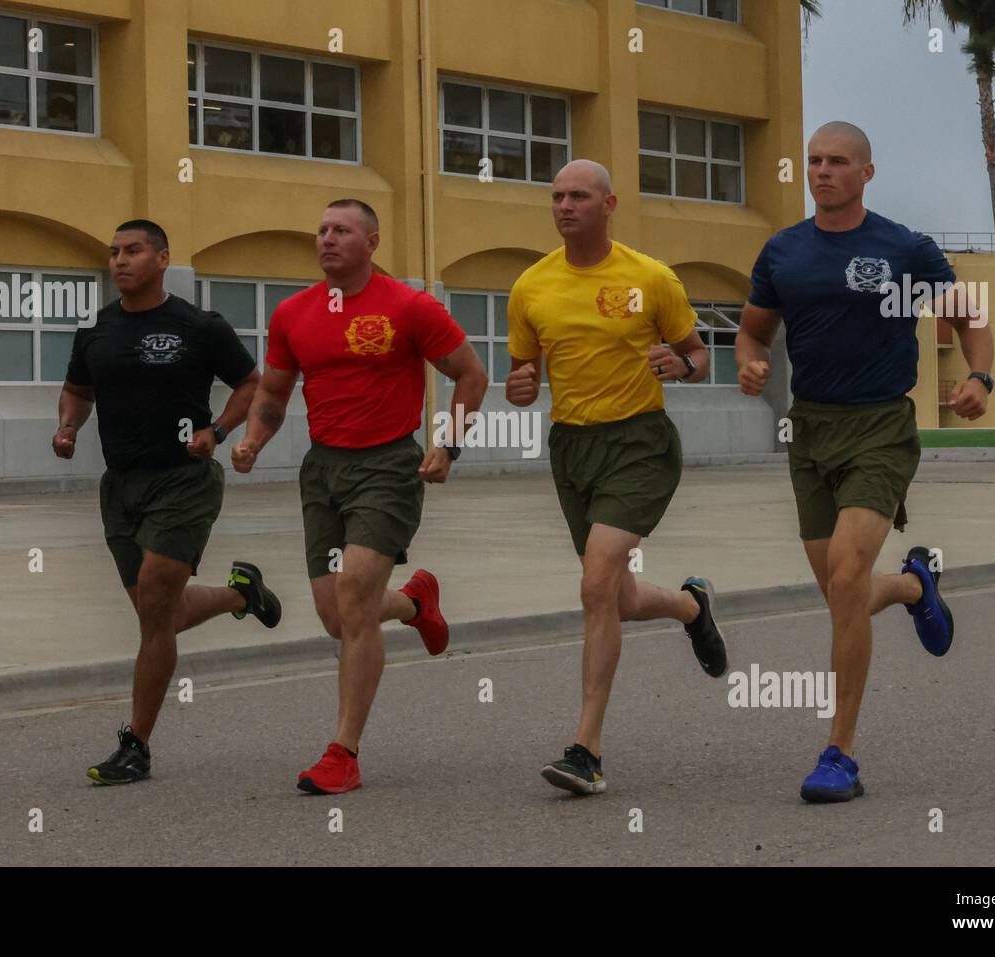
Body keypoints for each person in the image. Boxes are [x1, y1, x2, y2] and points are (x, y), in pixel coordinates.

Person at [735, 122, 994, 802]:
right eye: (815, 161)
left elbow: (967, 316)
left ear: (867, 173)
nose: (823, 171)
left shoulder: (902, 248)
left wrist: (981, 377)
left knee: (847, 575)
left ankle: (838, 752)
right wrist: (750, 362)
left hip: (881, 424)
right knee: (841, 591)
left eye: (838, 161)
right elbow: (752, 328)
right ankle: (913, 586)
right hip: (810, 429)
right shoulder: (784, 251)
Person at [231, 199, 488, 794]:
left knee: (352, 596)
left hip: (388, 467)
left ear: (371, 241)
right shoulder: (294, 313)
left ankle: (342, 752)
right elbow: (273, 390)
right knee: (335, 617)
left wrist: (447, 445)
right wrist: (252, 441)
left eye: (341, 230)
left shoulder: (409, 306)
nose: (326, 239)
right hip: (323, 471)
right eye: (320, 230)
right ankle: (416, 603)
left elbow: (471, 376)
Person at [505, 159, 728, 796]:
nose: (564, 205)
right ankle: (691, 606)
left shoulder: (649, 276)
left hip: (640, 442)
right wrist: (521, 389)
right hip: (571, 446)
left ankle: (586, 749)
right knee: (616, 597)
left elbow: (698, 355)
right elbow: (524, 378)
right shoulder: (531, 286)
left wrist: (678, 365)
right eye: (556, 196)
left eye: (578, 196)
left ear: (609, 204)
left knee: (596, 578)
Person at [55, 219, 282, 785]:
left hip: (183, 479)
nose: (119, 261)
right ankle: (239, 594)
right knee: (161, 615)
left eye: (132, 251)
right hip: (121, 485)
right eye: (113, 252)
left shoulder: (197, 325)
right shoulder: (96, 330)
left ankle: (136, 745)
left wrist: (219, 432)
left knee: (157, 601)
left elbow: (251, 383)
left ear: (162, 259)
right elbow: (78, 391)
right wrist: (68, 427)